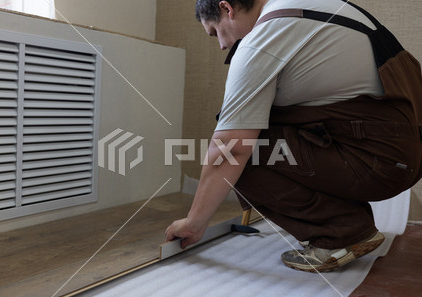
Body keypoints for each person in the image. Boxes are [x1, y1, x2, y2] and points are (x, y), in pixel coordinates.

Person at [165, 0, 422, 272]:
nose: (221, 45)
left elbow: (230, 149)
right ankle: (345, 223)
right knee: (258, 129)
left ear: (227, 8)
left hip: (381, 161)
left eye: (215, 31)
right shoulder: (308, 5)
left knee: (242, 155)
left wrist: (194, 223)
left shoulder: (263, 38)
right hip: (403, 152)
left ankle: (342, 232)